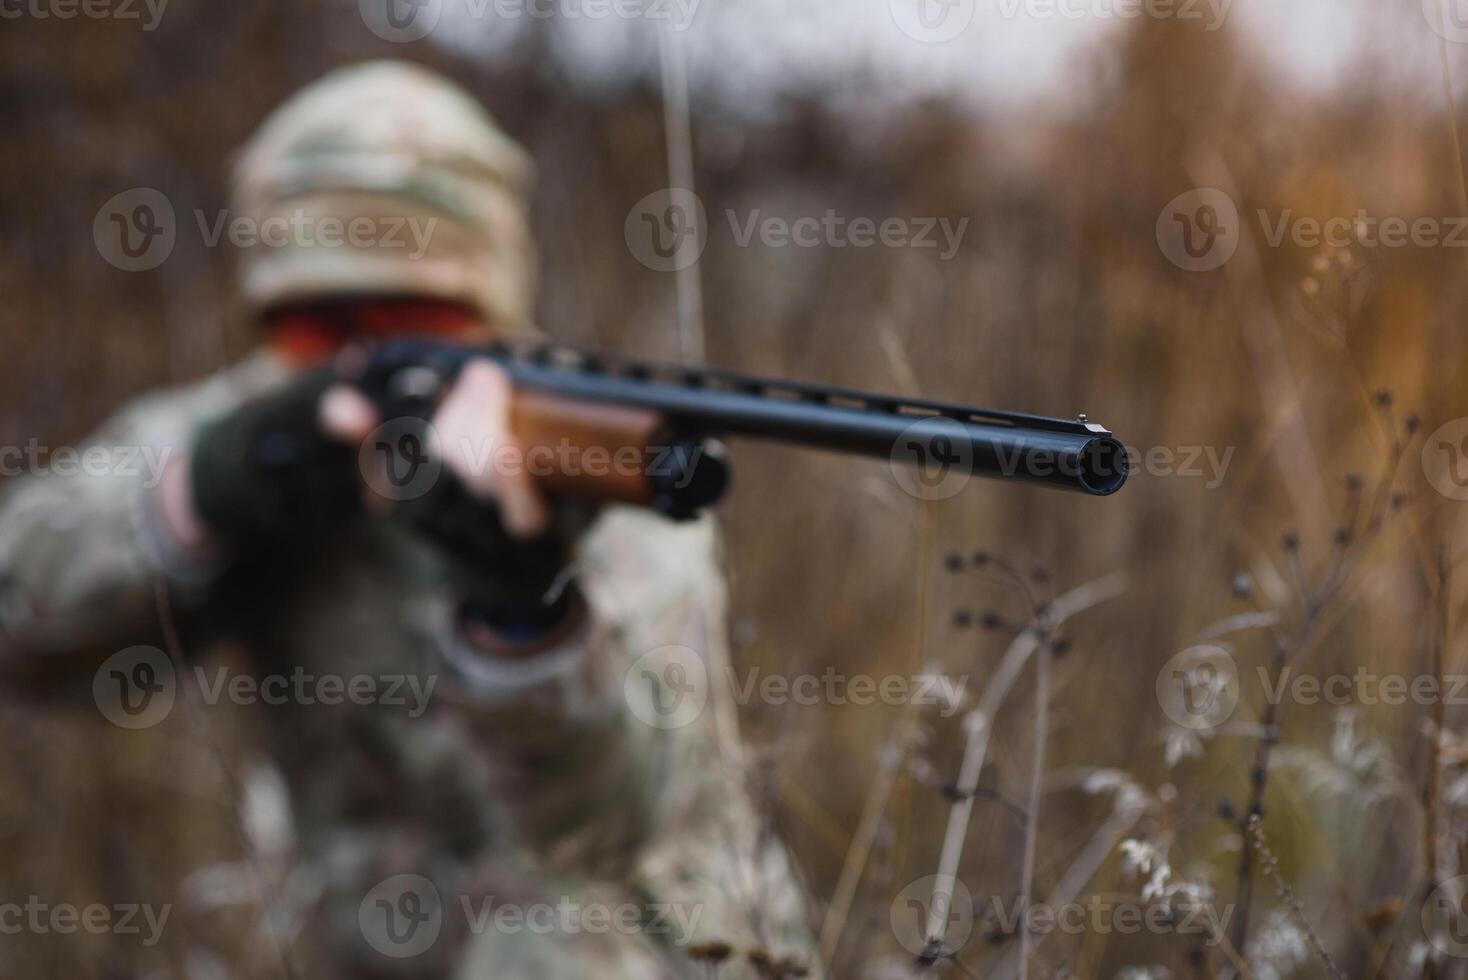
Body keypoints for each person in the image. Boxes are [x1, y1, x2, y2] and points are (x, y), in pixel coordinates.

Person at [0, 60, 819, 979]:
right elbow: (20, 614)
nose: (377, 360)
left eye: (419, 318)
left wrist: (525, 610)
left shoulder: (591, 457)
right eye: (322, 327)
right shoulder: (242, 426)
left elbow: (612, 829)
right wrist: (210, 493)